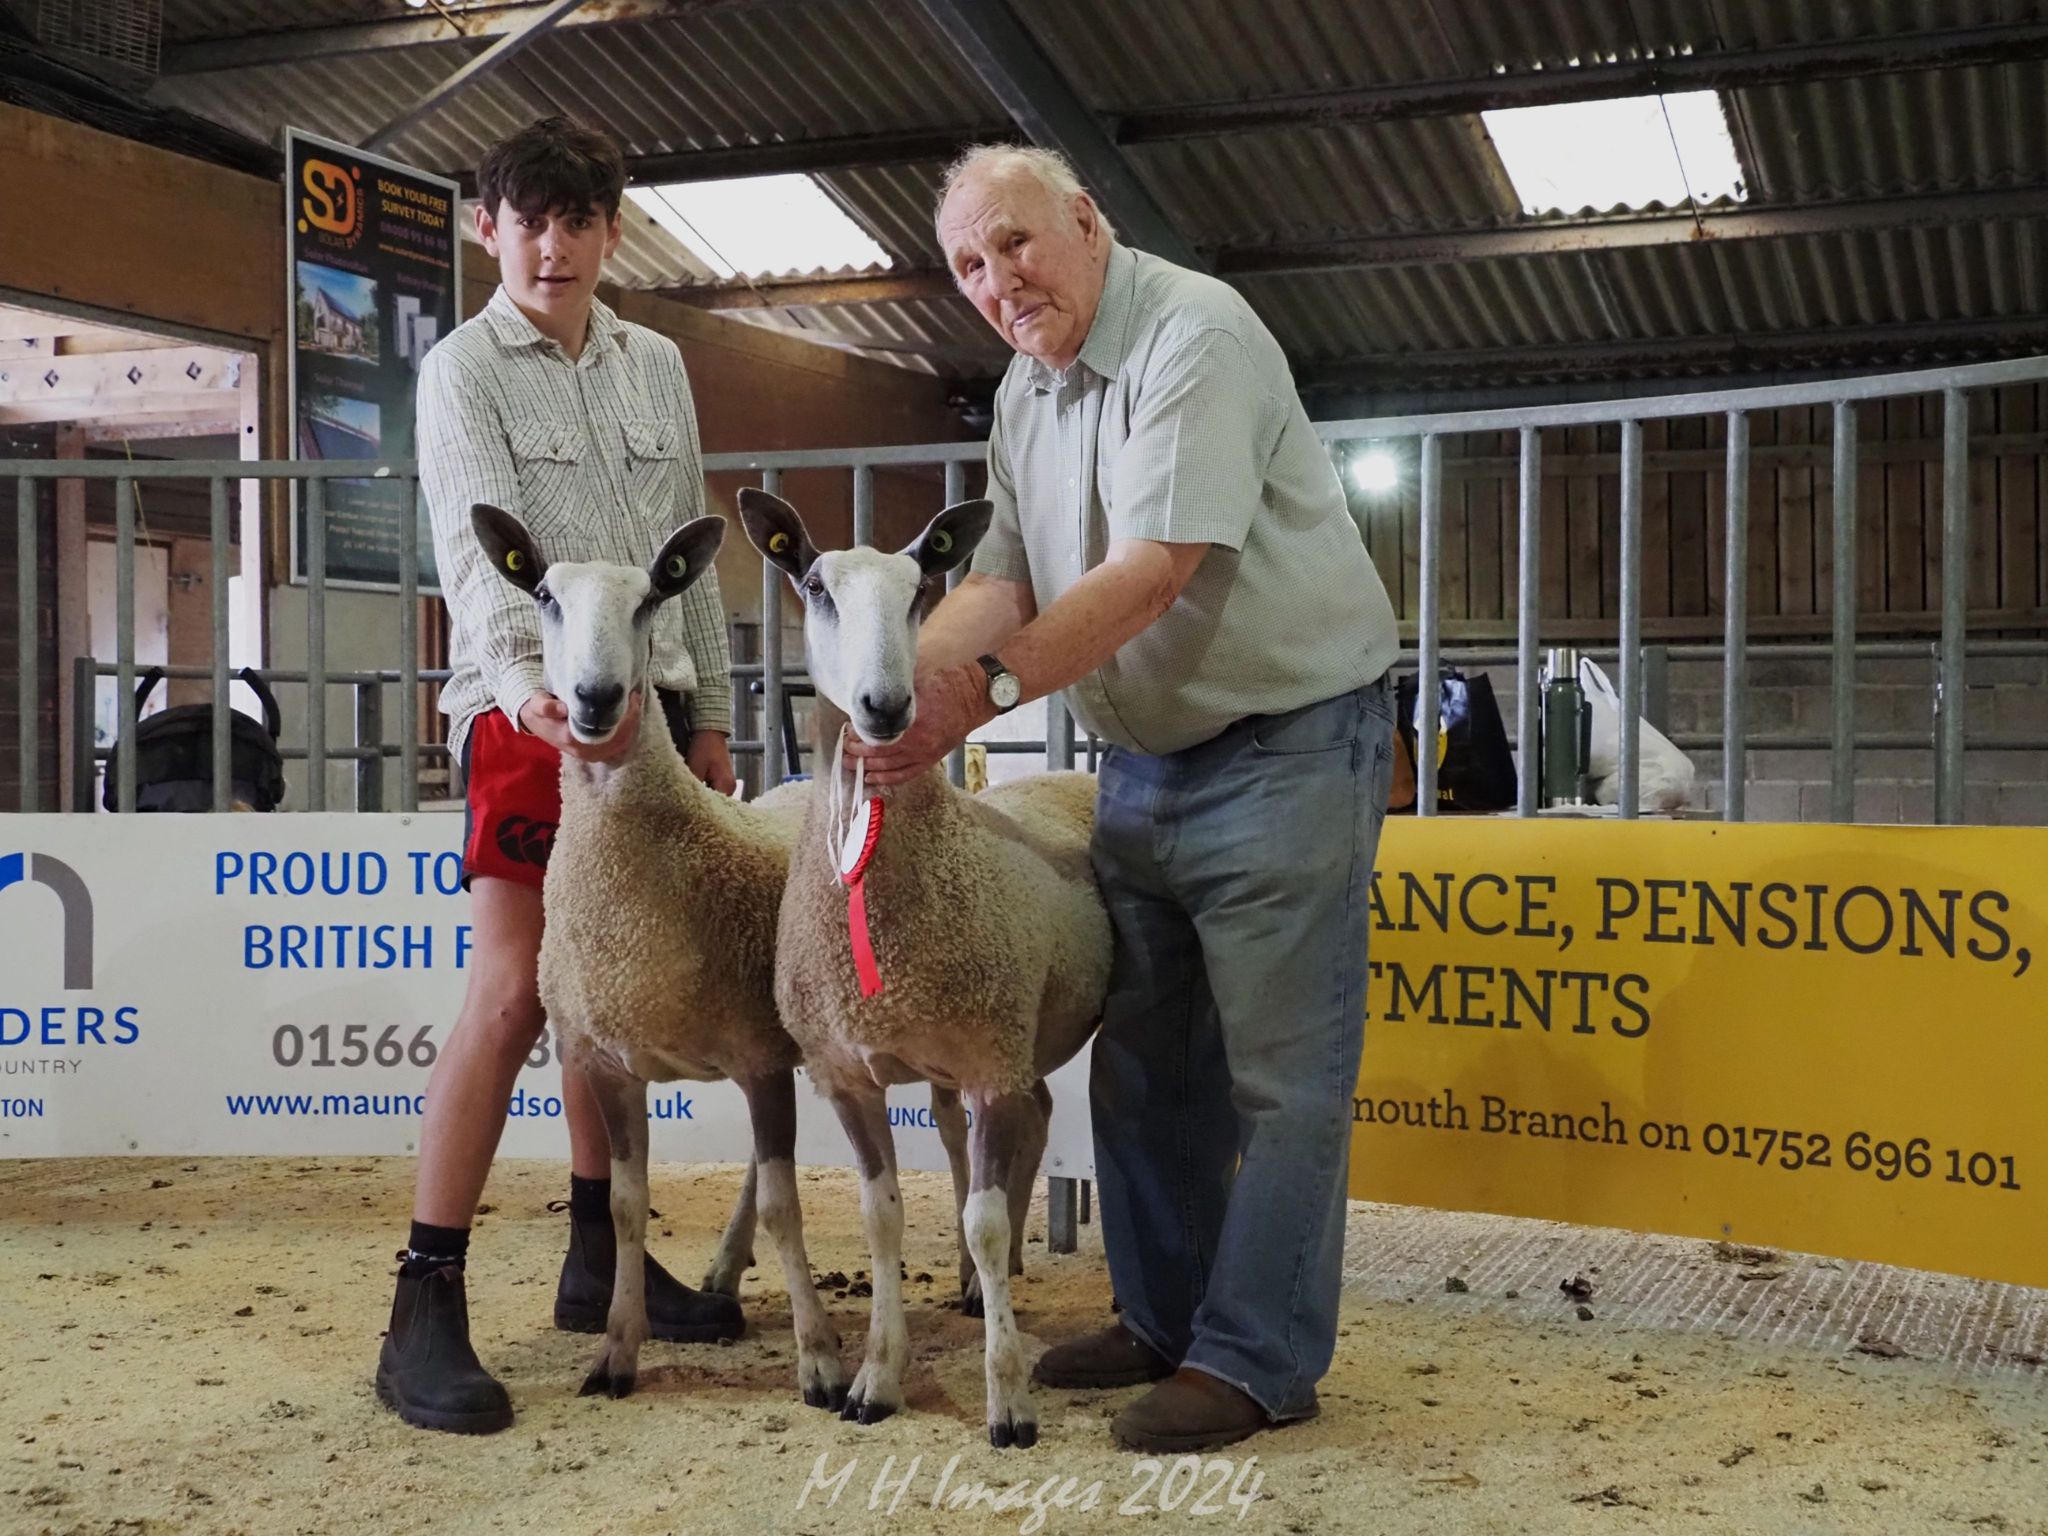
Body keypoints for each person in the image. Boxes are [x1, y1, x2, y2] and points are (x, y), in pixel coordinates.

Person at [849, 145, 1401, 1453]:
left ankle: (1257, 1360)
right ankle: (1165, 1318)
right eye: (971, 266)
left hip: (1289, 739)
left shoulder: (1196, 335)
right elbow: (1012, 575)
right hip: (1146, 761)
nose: (999, 281)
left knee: (1280, 1074)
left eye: (1018, 245)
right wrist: (912, 671)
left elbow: (1154, 571)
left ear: (1087, 223)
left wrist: (972, 694)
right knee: (1147, 1067)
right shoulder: (1026, 389)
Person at [375, 116, 740, 1436]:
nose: (552, 243)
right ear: (488, 227)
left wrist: (709, 710)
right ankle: (424, 1299)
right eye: (527, 218)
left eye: (578, 219)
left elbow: (689, 549)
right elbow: (479, 559)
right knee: (520, 986)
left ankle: (605, 1255)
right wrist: (535, 693)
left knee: (614, 988)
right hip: (523, 717)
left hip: (651, 724)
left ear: (610, 229)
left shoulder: (659, 366)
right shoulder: (463, 370)